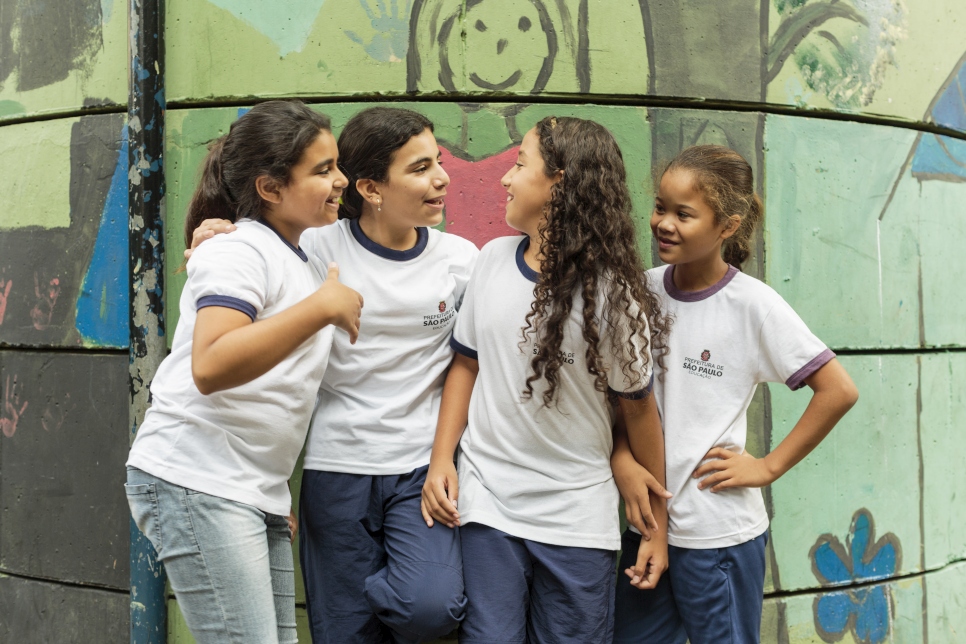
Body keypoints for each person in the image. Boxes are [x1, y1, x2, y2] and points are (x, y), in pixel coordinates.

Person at [189, 107, 477, 643]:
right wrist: (214, 236)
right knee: (341, 630)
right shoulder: (315, 247)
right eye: (419, 168)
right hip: (335, 467)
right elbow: (249, 267)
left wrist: (447, 458)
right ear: (371, 188)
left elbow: (476, 360)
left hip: (419, 468)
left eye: (437, 162)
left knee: (430, 607)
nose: (441, 177)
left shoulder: (461, 259)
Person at [421, 116, 670, 643]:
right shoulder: (490, 261)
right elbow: (466, 364)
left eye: (519, 164)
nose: (507, 179)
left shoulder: (612, 295)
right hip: (489, 503)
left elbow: (639, 409)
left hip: (577, 516)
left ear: (560, 180)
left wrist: (656, 528)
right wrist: (442, 459)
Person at [125, 100, 364, 644]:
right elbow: (210, 366)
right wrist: (322, 308)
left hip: (248, 490)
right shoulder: (243, 251)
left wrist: (269, 492)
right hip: (198, 478)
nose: (340, 181)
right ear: (271, 188)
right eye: (323, 170)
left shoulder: (292, 255)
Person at [613, 145, 859, 644]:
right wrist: (622, 458)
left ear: (727, 226)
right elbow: (623, 400)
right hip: (647, 529)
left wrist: (767, 467)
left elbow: (837, 389)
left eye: (684, 214)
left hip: (717, 535)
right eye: (661, 207)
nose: (664, 223)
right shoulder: (640, 291)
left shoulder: (754, 306)